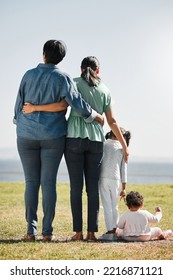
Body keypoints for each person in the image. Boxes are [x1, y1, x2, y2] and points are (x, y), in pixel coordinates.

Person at [24, 56, 129, 242]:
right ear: (98, 71)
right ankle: (91, 233)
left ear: (81, 69)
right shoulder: (105, 89)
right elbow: (112, 121)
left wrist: (35, 109)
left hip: (73, 139)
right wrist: (124, 146)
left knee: (76, 188)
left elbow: (62, 105)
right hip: (96, 141)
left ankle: (78, 233)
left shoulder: (73, 83)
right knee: (92, 189)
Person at [14, 40, 104, 242]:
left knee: (31, 182)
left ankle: (31, 231)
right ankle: (46, 232)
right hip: (53, 136)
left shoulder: (28, 75)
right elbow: (77, 104)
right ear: (61, 58)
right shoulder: (63, 77)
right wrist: (94, 116)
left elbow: (18, 105)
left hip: (26, 134)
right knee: (48, 183)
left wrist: (20, 121)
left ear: (43, 54)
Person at [98, 128, 131, 241]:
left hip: (102, 178)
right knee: (114, 205)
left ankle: (110, 230)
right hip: (116, 179)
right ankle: (115, 228)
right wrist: (124, 188)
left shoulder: (102, 143)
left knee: (107, 205)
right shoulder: (123, 148)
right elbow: (124, 169)